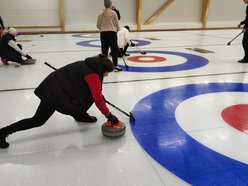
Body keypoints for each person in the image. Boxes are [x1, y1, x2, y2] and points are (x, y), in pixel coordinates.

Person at [0, 54, 120, 149]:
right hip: (54, 93)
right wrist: (109, 116)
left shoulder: (88, 64)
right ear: (103, 69)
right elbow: (98, 99)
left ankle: (80, 115)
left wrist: (98, 93)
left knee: (85, 97)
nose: (107, 75)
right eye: (107, 73)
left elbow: (93, 91)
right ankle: (2, 132)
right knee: (38, 120)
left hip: (56, 85)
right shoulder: (93, 75)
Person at [97, 0, 121, 72]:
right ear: (111, 5)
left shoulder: (100, 13)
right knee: (114, 50)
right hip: (112, 33)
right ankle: (115, 65)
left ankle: (104, 66)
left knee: (104, 50)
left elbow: (98, 25)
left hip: (103, 34)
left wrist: (103, 29)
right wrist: (116, 30)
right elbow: (117, 24)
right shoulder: (113, 13)